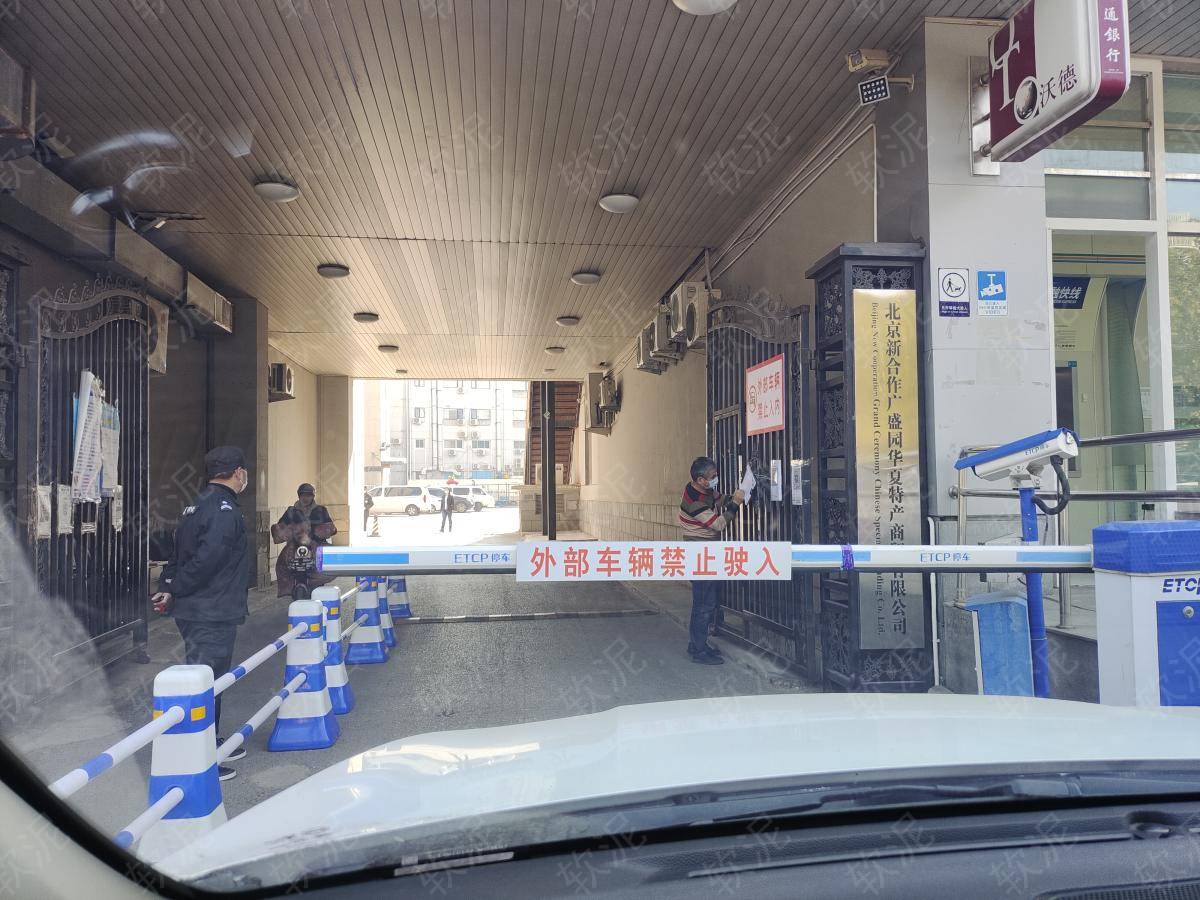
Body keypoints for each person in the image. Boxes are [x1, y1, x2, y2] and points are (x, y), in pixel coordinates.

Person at [151, 446, 252, 781]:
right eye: (244, 472)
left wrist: (170, 585)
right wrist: (177, 587)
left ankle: (212, 740)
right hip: (211, 610)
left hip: (200, 609)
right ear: (237, 473)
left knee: (208, 680)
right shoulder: (224, 510)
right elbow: (207, 561)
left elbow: (178, 553)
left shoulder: (196, 505)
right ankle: (202, 756)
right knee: (206, 683)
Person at [678, 456, 745, 665]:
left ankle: (697, 644)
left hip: (706, 550)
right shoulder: (694, 501)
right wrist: (735, 504)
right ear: (701, 480)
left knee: (706, 600)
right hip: (699, 552)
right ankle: (699, 651)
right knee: (704, 603)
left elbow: (719, 498)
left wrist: (733, 498)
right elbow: (718, 525)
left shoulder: (701, 490)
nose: (716, 478)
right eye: (713, 476)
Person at [272, 483, 337, 598]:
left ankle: (315, 583)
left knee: (330, 562)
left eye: (308, 495)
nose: (305, 498)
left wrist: (320, 531)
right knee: (282, 563)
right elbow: (281, 526)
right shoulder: (291, 511)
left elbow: (330, 527)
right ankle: (289, 587)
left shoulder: (321, 510)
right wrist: (283, 531)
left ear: (313, 496)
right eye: (303, 495)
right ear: (299, 496)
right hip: (294, 546)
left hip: (316, 544)